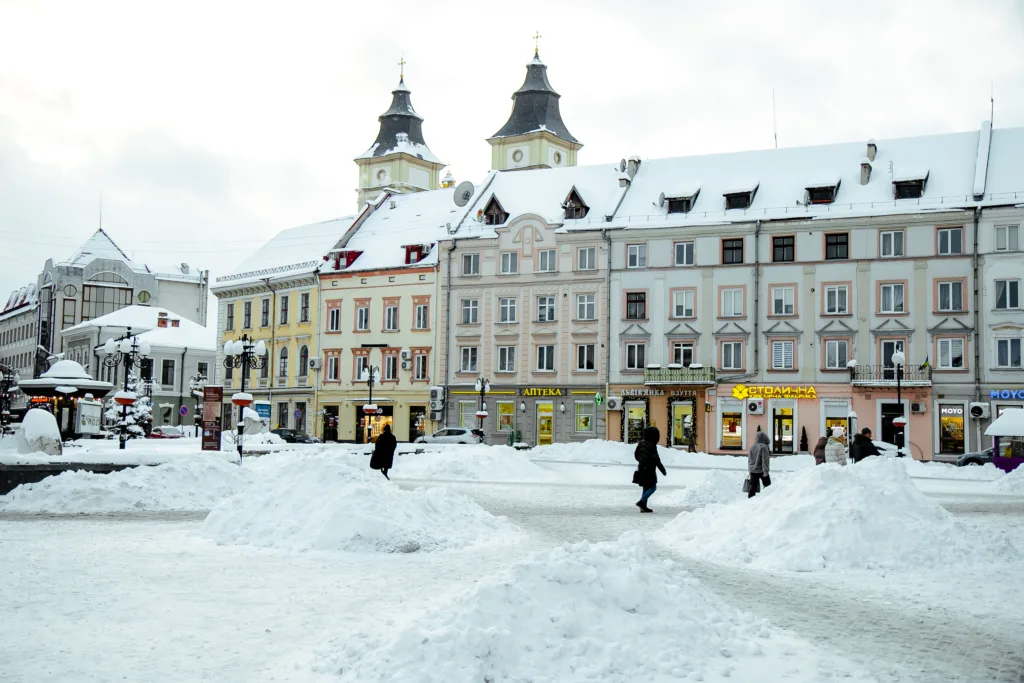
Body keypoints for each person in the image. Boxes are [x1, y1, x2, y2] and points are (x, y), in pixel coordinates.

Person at [633, 426, 666, 512]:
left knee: (645, 487)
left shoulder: (641, 443)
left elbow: (636, 455)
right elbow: (656, 460)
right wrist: (663, 470)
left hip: (641, 468)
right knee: (653, 487)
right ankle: (641, 502)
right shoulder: (652, 446)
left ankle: (643, 507)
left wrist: (641, 460)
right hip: (649, 470)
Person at [747, 430, 772, 498]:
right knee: (768, 486)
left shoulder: (752, 447)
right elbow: (765, 460)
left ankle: (750, 501)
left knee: (753, 487)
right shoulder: (764, 447)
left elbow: (749, 459)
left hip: (753, 470)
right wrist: (765, 471)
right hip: (761, 470)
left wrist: (750, 469)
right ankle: (767, 499)